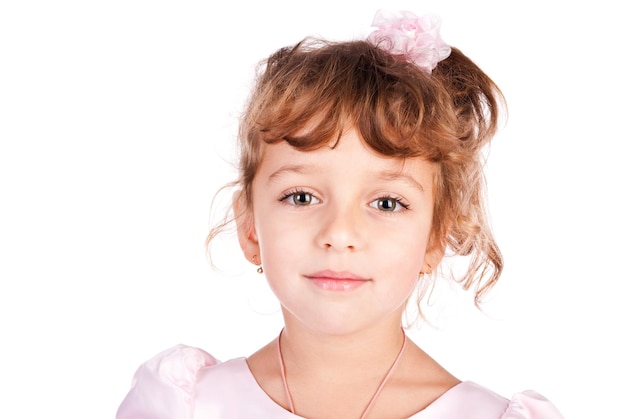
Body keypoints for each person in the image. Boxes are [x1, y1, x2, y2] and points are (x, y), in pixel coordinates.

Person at [116, 10, 563, 419]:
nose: (340, 233)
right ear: (250, 227)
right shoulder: (186, 407)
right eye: (302, 197)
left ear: (434, 238)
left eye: (387, 203)